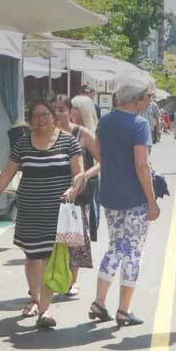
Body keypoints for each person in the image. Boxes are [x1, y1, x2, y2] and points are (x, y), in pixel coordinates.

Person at [0, 99, 83, 328]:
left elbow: (79, 175)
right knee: (32, 256)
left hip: (56, 211)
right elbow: (8, 173)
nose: (40, 120)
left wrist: (74, 189)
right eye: (36, 116)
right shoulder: (23, 144)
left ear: (54, 117)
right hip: (30, 209)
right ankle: (34, 297)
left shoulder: (69, 142)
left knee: (49, 257)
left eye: (45, 115)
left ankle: (44, 310)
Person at [89, 76, 160, 327]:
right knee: (133, 251)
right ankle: (124, 309)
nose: (148, 101)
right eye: (147, 97)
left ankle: (99, 301)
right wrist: (152, 200)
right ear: (137, 100)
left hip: (110, 194)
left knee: (115, 247)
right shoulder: (139, 124)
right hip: (134, 197)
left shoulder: (105, 121)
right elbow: (142, 164)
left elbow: (99, 154)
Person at [54, 96, 99, 297]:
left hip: (77, 194)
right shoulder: (47, 134)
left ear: (70, 111)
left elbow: (102, 161)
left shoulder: (83, 133)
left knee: (74, 238)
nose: (57, 114)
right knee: (53, 239)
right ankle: (52, 277)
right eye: (54, 110)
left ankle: (72, 281)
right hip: (51, 192)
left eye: (62, 109)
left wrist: (85, 175)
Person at [71, 95, 102, 241]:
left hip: (87, 185)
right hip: (69, 184)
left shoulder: (92, 132)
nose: (71, 111)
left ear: (83, 110)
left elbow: (102, 162)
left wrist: (86, 175)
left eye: (74, 108)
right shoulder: (67, 130)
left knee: (84, 225)